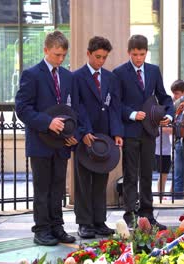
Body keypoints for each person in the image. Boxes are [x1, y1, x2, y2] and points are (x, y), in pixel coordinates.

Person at [15, 31, 78, 246]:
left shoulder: (68, 76)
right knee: (42, 188)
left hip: (61, 144)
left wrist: (72, 134)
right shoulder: (32, 75)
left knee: (58, 187)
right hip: (40, 143)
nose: (61, 59)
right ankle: (41, 229)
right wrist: (47, 122)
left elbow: (73, 109)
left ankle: (56, 226)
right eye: (57, 54)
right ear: (46, 50)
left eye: (63, 55)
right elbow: (22, 109)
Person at [113, 34, 174, 230]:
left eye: (141, 54)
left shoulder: (154, 71)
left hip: (149, 131)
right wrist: (131, 114)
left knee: (147, 174)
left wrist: (169, 116)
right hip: (130, 131)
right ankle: (130, 215)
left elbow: (164, 98)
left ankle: (147, 214)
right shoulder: (119, 72)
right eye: (134, 54)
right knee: (130, 175)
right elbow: (116, 104)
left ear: (147, 52)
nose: (138, 58)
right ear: (128, 52)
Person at [73, 36, 123, 238]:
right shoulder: (76, 77)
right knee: (83, 181)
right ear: (88, 54)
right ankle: (84, 223)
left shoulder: (111, 78)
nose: (100, 61)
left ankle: (99, 221)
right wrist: (83, 132)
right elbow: (76, 107)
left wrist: (117, 132)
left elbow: (115, 107)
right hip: (85, 136)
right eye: (97, 57)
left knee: (101, 180)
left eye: (104, 57)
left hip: (105, 139)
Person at [155, 80, 184, 199]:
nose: (174, 96)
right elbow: (163, 128)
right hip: (162, 147)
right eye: (174, 93)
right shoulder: (169, 107)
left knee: (174, 173)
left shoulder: (180, 106)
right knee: (164, 174)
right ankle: (161, 196)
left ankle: (167, 195)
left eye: (177, 93)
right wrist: (180, 132)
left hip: (169, 146)